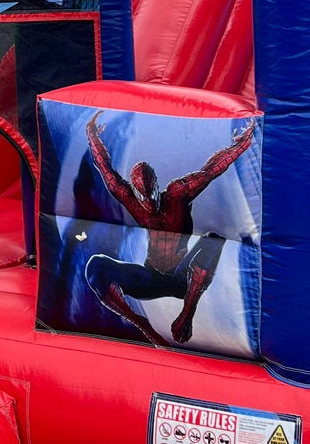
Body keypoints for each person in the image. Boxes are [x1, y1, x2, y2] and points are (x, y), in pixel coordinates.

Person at [81, 112, 255, 346]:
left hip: (181, 277)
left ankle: (186, 314)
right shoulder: (131, 199)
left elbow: (211, 170)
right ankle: (143, 326)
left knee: (212, 240)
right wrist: (92, 135)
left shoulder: (176, 195)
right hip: (151, 276)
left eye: (151, 195)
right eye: (144, 197)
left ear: (156, 187)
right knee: (96, 264)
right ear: (137, 192)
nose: (149, 204)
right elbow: (105, 169)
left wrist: (242, 143)